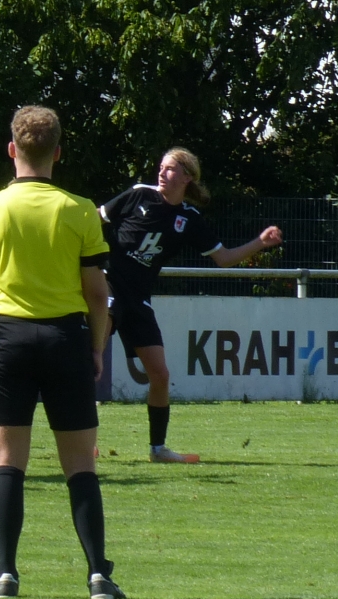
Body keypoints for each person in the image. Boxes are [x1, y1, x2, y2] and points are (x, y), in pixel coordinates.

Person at [0, 105, 121, 599]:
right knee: (80, 466)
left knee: (8, 463)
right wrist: (95, 346)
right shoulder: (78, 209)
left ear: (12, 150)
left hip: (7, 338)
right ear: (58, 152)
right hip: (66, 338)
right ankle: (98, 575)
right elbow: (97, 293)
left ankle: (5, 573)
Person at [100, 149, 284, 462]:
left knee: (159, 375)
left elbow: (223, 259)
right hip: (107, 285)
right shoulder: (138, 195)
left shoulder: (189, 219)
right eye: (161, 167)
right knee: (90, 360)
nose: (162, 173)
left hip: (139, 298)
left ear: (187, 177)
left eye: (170, 169)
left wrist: (259, 243)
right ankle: (82, 444)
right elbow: (93, 219)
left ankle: (158, 450)